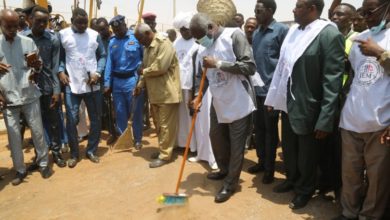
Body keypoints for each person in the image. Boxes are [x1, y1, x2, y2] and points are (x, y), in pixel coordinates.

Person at [265, 0, 344, 209]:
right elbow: (283, 69)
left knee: (307, 155)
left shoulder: (328, 34)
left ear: (312, 9)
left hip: (310, 107)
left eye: (299, 6)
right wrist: (274, 98)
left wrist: (326, 118)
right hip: (289, 103)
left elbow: (332, 80)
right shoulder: (293, 32)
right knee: (290, 149)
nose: (293, 9)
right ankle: (292, 180)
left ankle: (305, 189)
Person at [190, 13, 256, 203]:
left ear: (211, 27)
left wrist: (218, 63)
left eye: (200, 35)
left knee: (236, 146)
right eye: (196, 37)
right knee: (216, 137)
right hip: (219, 100)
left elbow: (249, 66)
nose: (198, 40)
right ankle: (224, 170)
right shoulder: (203, 46)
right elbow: (202, 77)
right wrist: (198, 96)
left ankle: (230, 183)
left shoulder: (234, 36)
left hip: (239, 100)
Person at [335, 0, 390, 219]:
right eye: (363, 12)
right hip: (352, 120)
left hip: (380, 123)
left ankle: (369, 216)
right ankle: (348, 213)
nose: (366, 16)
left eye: (371, 11)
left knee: (377, 179)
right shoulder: (360, 38)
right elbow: (356, 77)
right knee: (350, 175)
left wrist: (379, 52)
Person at [0, 9, 53, 185]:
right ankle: (20, 170)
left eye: (15, 26)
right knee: (14, 137)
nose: (13, 29)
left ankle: (44, 164)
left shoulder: (28, 42)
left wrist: (37, 66)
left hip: (29, 95)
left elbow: (37, 69)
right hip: (8, 98)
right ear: (1, 24)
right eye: (9, 26)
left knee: (38, 132)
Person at [58, 8, 106, 168]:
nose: (83, 25)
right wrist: (60, 71)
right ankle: (74, 154)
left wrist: (98, 73)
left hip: (92, 85)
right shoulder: (63, 35)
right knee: (72, 119)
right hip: (72, 85)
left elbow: (103, 56)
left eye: (85, 22)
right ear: (72, 20)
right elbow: (60, 59)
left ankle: (91, 150)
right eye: (79, 22)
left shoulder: (94, 35)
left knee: (96, 118)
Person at [248, 0, 288, 185]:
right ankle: (262, 162)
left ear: (270, 11)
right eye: (255, 10)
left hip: (272, 92)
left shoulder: (281, 31)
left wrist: (278, 91)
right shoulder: (256, 33)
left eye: (259, 10)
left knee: (271, 132)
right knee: (260, 130)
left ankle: (270, 169)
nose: (256, 13)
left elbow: (285, 63)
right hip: (257, 90)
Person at [134, 24, 182, 168]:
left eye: (140, 39)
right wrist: (139, 85)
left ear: (148, 33)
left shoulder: (164, 44)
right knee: (159, 125)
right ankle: (163, 149)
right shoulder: (147, 48)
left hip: (167, 92)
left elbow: (160, 67)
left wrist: (143, 72)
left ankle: (165, 155)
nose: (140, 42)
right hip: (155, 93)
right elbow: (145, 67)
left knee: (166, 125)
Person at [24, 6, 66, 168]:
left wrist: (57, 91)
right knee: (35, 125)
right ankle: (39, 156)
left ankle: (56, 152)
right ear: (30, 20)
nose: (42, 24)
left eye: (45, 21)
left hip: (48, 88)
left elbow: (55, 67)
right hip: (29, 89)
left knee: (54, 122)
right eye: (39, 21)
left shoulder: (53, 39)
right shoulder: (22, 38)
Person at [104, 15, 144, 149]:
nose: (118, 32)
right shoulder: (112, 41)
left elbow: (145, 59)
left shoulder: (136, 38)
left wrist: (141, 80)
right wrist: (107, 83)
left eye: (120, 28)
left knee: (135, 111)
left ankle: (137, 139)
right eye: (115, 30)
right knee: (120, 111)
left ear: (125, 25)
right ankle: (124, 139)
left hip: (132, 79)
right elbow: (109, 64)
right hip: (117, 82)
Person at [96, 17, 117, 145]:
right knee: (107, 107)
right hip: (104, 78)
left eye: (103, 29)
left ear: (108, 27)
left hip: (118, 77)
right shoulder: (98, 40)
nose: (101, 32)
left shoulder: (115, 38)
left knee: (118, 106)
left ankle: (121, 130)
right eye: (99, 30)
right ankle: (112, 132)